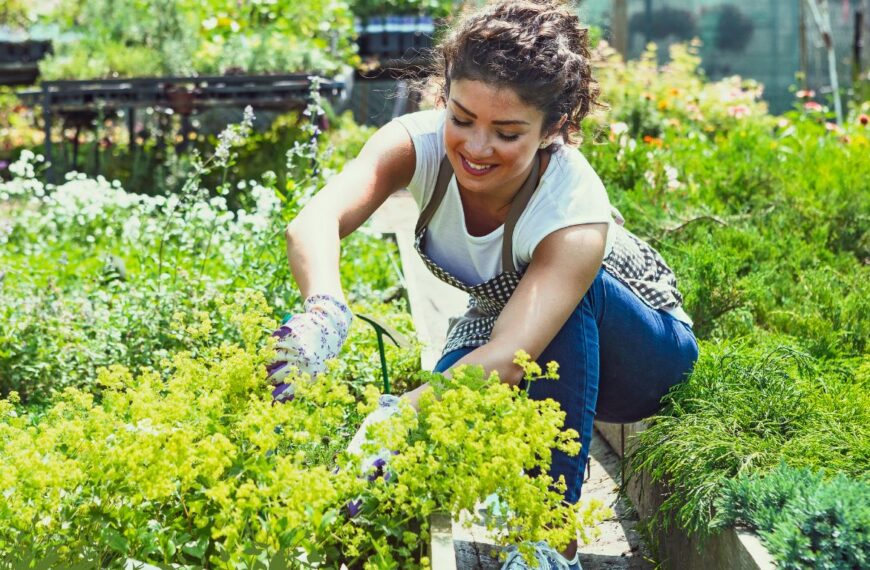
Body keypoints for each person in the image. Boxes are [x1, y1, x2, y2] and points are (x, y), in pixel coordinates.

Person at [267, 1, 699, 568]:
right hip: (513, 324)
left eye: (507, 132)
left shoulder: (572, 203)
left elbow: (510, 358)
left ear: (555, 129)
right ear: (444, 96)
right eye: (463, 118)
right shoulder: (415, 145)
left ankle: (548, 535)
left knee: (490, 368)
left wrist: (399, 413)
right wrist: (324, 309)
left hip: (644, 355)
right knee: (429, 433)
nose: (475, 147)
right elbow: (314, 221)